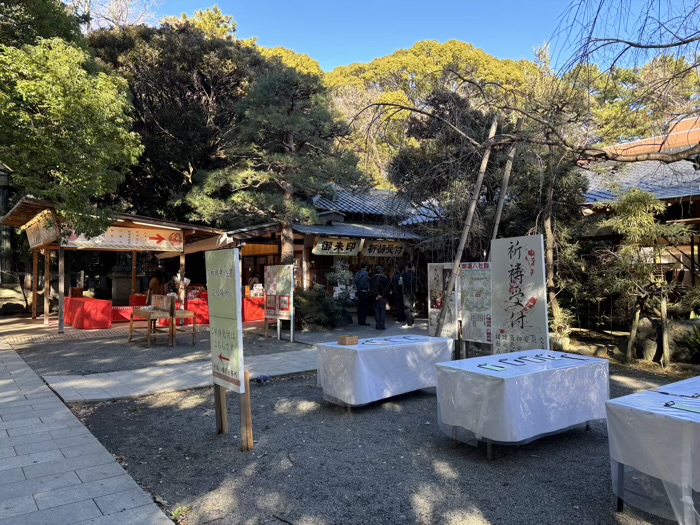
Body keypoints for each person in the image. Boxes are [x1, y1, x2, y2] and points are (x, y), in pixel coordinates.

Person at [370, 265, 390, 330]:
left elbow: (371, 288)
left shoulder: (373, 278)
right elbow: (387, 289)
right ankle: (382, 325)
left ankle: (378, 324)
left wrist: (376, 295)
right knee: (382, 312)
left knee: (377, 312)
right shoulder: (385, 278)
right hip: (383, 297)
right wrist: (382, 295)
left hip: (375, 297)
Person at [402, 263, 417, 328]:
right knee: (411, 308)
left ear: (407, 267)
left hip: (406, 293)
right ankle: (412, 322)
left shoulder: (405, 275)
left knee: (407, 308)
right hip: (412, 293)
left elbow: (402, 284)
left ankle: (409, 323)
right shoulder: (414, 275)